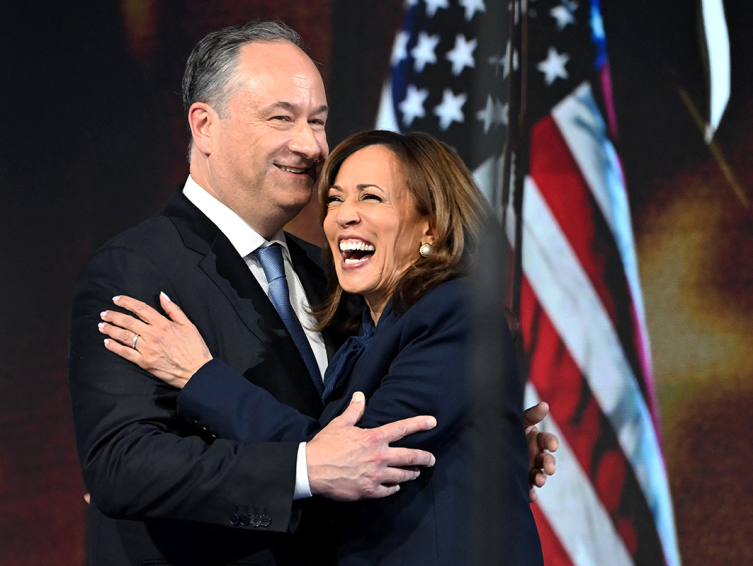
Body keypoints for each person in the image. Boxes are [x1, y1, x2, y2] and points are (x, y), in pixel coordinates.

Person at [72, 20, 555, 566]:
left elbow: (363, 440)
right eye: (282, 118)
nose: (309, 145)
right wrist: (303, 470)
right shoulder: (136, 269)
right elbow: (123, 468)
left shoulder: (334, 279)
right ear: (205, 126)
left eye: (318, 121)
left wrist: (480, 445)